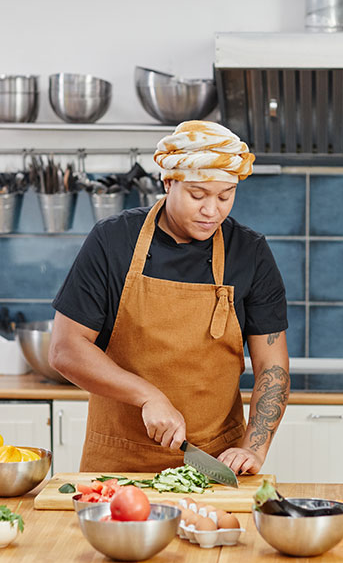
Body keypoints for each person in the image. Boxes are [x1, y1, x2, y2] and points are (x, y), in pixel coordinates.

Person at [49, 120, 290, 475]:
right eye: (197, 195)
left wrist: (254, 447)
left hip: (214, 464)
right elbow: (66, 348)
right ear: (168, 183)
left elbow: (273, 366)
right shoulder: (113, 241)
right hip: (119, 465)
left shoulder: (249, 252)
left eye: (225, 196)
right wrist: (148, 395)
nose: (212, 211)